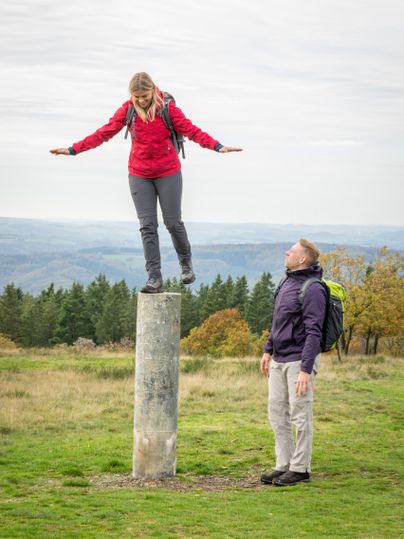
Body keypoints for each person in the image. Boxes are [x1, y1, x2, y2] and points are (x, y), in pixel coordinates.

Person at [50, 72, 242, 293]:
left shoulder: (168, 109)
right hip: (139, 174)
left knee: (173, 222)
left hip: (168, 172)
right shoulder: (128, 110)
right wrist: (73, 149)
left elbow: (192, 131)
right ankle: (154, 278)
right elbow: (104, 133)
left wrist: (218, 146)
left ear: (153, 90)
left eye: (145, 95)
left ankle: (185, 264)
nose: (141, 100)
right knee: (147, 227)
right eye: (136, 96)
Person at [260, 239, 327, 486]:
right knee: (277, 413)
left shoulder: (313, 289)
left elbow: (314, 333)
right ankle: (284, 465)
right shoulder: (286, 281)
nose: (287, 252)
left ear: (302, 259)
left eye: (293, 251)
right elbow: (279, 321)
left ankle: (300, 469)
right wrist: (268, 350)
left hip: (299, 360)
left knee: (300, 414)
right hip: (278, 358)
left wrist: (305, 370)